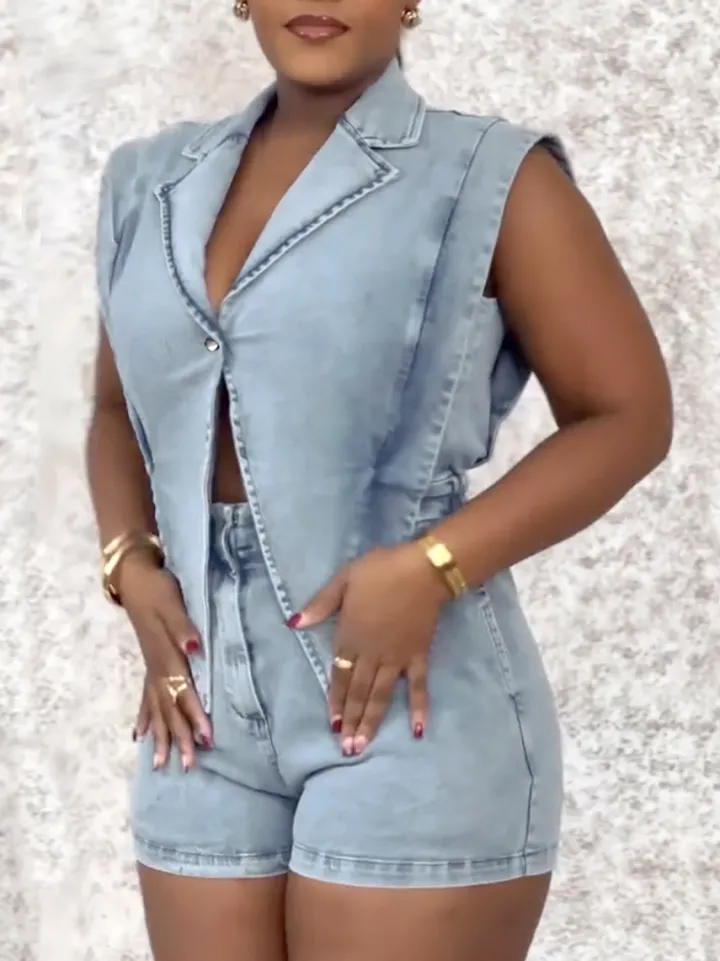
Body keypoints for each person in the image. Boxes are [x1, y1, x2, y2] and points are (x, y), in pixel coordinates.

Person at [86, 1, 673, 959]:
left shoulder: (489, 174)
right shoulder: (147, 180)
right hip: (196, 717)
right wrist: (129, 561)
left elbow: (629, 415)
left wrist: (432, 564)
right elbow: (117, 409)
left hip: (414, 702)